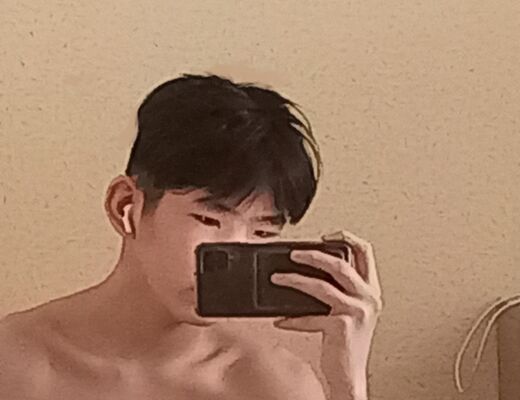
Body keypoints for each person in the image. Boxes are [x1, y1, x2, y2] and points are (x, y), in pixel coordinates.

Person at [0, 74, 382, 400]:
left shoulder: (274, 384)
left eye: (263, 232)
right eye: (208, 219)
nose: (235, 247)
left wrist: (348, 384)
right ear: (125, 206)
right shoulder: (13, 363)